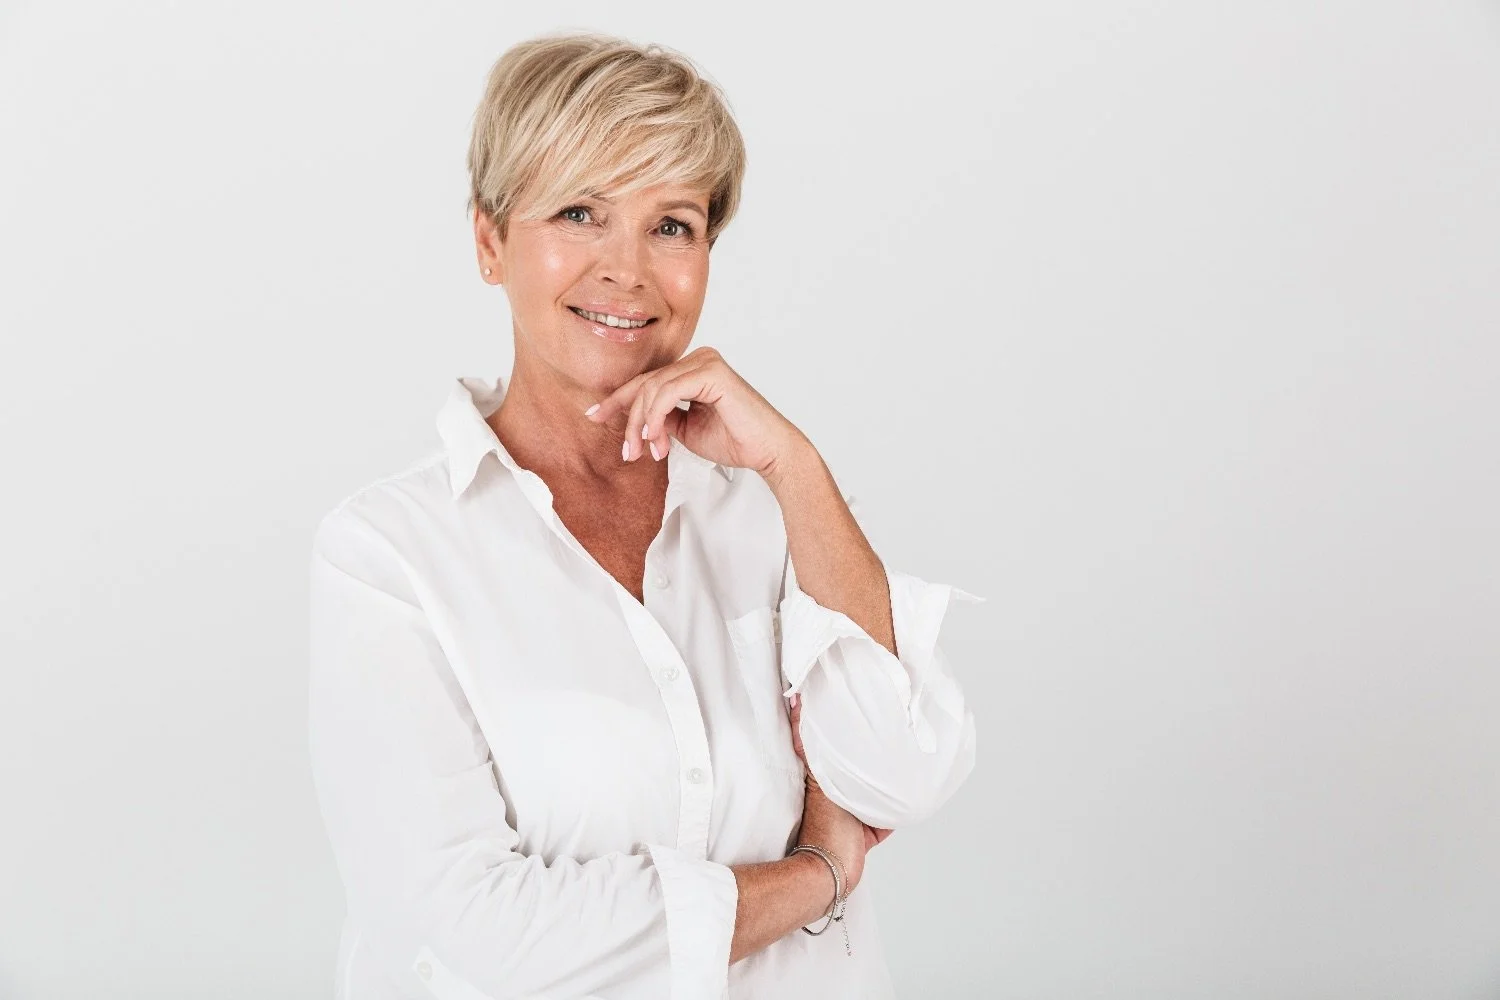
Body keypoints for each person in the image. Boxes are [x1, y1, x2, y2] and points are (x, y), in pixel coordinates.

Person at [307, 30, 985, 1000]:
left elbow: (900, 770)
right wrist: (817, 875)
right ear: (490, 239)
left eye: (673, 224)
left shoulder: (773, 511)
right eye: (581, 212)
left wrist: (794, 463)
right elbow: (474, 931)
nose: (627, 270)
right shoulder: (387, 555)